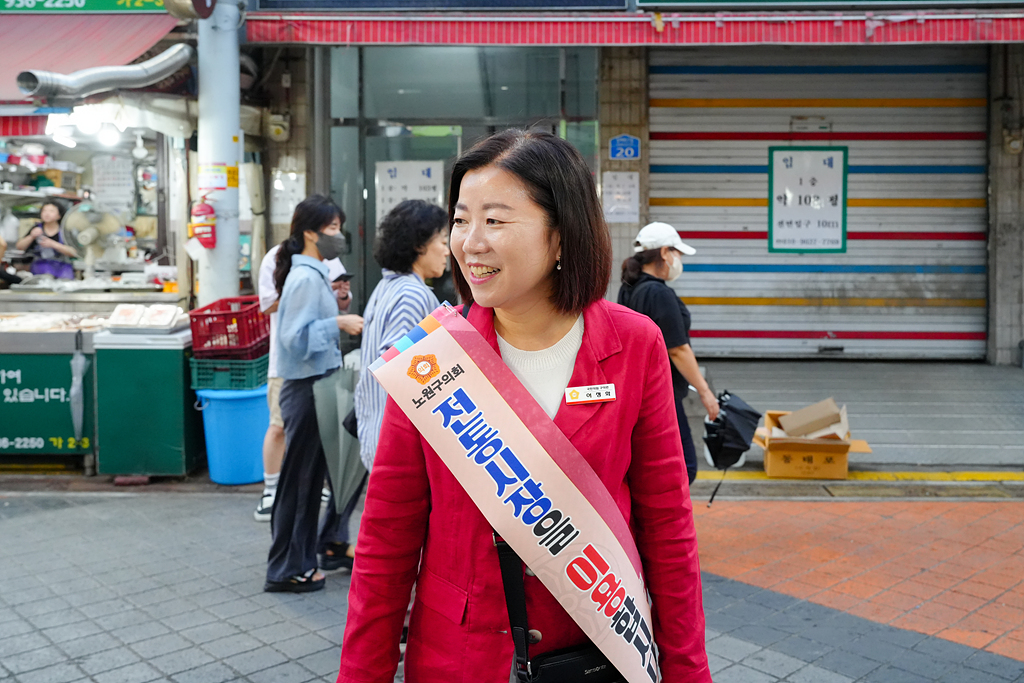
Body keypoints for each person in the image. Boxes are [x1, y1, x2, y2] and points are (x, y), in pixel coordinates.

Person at [338, 131, 710, 682]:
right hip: (458, 659)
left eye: (495, 220)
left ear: (561, 235)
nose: (470, 243)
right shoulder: (431, 361)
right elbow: (385, 543)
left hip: (594, 653)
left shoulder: (635, 345)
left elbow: (667, 530)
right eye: (461, 220)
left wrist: (688, 673)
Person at [265, 195, 364, 593]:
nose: (338, 237)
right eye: (333, 229)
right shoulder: (305, 277)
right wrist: (337, 321)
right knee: (302, 483)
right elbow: (294, 338)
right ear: (310, 233)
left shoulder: (313, 272)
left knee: (308, 480)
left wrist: (334, 309)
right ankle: (289, 568)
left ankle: (302, 558)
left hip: (316, 386)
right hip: (307, 389)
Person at [255, 242, 352, 522]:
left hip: (324, 361)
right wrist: (309, 292)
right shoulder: (277, 258)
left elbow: (342, 305)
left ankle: (312, 484)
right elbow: (266, 304)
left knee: (319, 431)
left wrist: (340, 294)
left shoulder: (331, 261)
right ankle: (271, 490)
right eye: (330, 226)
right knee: (279, 427)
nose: (335, 234)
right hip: (288, 364)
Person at [618, 222, 720, 485]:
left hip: (639, 391)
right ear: (665, 253)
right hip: (663, 395)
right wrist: (706, 392)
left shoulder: (630, 286)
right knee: (683, 467)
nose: (679, 260)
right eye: (677, 253)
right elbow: (678, 349)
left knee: (651, 469)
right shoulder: (658, 293)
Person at [354, 199, 449, 472]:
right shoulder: (412, 294)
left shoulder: (386, 286)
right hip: (399, 447)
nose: (447, 251)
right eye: (442, 242)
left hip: (376, 435)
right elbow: (400, 368)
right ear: (419, 245)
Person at [15, 201, 77, 279]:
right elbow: (20, 247)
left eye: (51, 211)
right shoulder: (36, 228)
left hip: (63, 268)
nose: (47, 213)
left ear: (59, 215)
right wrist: (31, 236)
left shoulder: (65, 231)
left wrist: (53, 244)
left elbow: (74, 252)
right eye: (44, 211)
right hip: (41, 267)